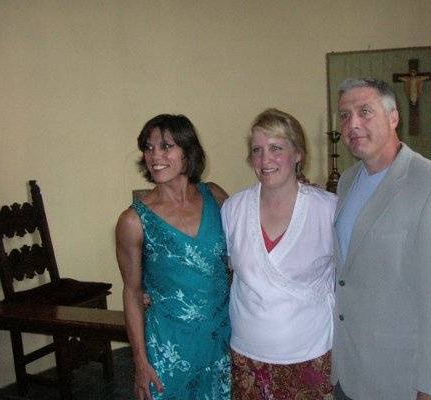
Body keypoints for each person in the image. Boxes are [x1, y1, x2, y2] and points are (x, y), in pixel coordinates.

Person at [331, 78, 431, 400]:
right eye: (344, 115)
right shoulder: (348, 181)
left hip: (399, 380)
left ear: (393, 117)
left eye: (364, 111)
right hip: (347, 371)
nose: (352, 124)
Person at [221, 108, 337, 399]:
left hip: (310, 353)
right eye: (257, 150)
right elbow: (219, 268)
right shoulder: (233, 209)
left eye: (276, 148)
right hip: (248, 356)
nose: (265, 160)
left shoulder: (328, 209)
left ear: (298, 153)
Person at [115, 114, 231, 400]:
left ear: (187, 151)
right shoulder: (133, 221)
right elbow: (131, 292)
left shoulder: (215, 197)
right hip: (168, 348)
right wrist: (140, 363)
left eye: (166, 146)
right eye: (148, 147)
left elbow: (243, 252)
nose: (155, 155)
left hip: (221, 341)